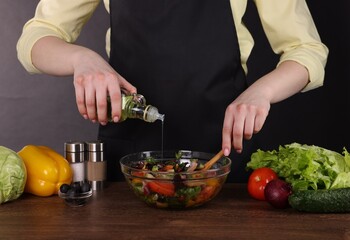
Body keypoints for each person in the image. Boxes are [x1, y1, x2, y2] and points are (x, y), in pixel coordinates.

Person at [17, 0, 328, 182]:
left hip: (223, 158)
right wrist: (82, 60)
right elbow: (36, 38)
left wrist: (262, 92)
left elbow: (307, 49)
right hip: (128, 164)